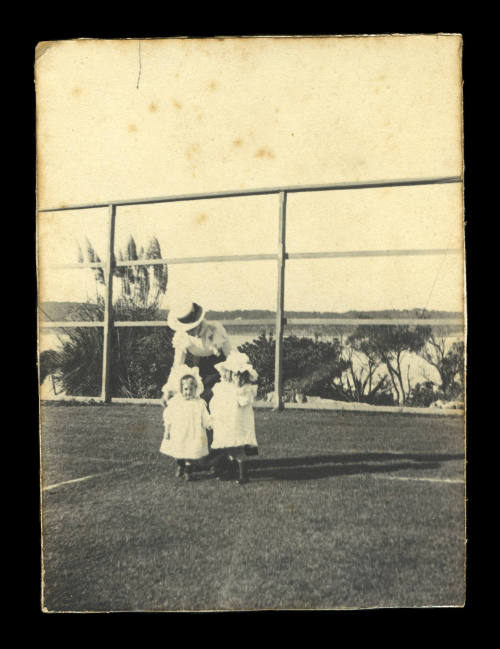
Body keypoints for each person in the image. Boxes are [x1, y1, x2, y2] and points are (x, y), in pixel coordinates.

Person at [163, 299, 232, 411]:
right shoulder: (182, 336)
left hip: (219, 370)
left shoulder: (215, 330)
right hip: (199, 371)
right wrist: (169, 389)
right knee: (196, 403)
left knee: (217, 403)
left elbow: (231, 356)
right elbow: (177, 365)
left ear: (198, 323)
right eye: (186, 329)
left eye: (191, 328)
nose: (189, 332)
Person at [210, 351, 259, 485]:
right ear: (229, 373)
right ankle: (231, 471)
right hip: (224, 421)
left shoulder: (245, 389)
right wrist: (213, 416)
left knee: (238, 448)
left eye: (240, 375)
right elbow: (215, 402)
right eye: (234, 373)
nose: (236, 377)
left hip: (238, 422)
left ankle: (243, 474)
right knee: (229, 447)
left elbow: (243, 403)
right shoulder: (222, 387)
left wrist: (239, 389)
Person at [159, 365, 212, 482]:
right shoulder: (176, 403)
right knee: (178, 451)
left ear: (195, 389)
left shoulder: (199, 403)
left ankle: (188, 471)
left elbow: (205, 416)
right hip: (180, 431)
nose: (188, 392)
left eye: (191, 389)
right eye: (186, 389)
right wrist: (167, 430)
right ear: (181, 389)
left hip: (193, 433)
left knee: (190, 451)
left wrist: (209, 423)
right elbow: (169, 416)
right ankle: (181, 465)